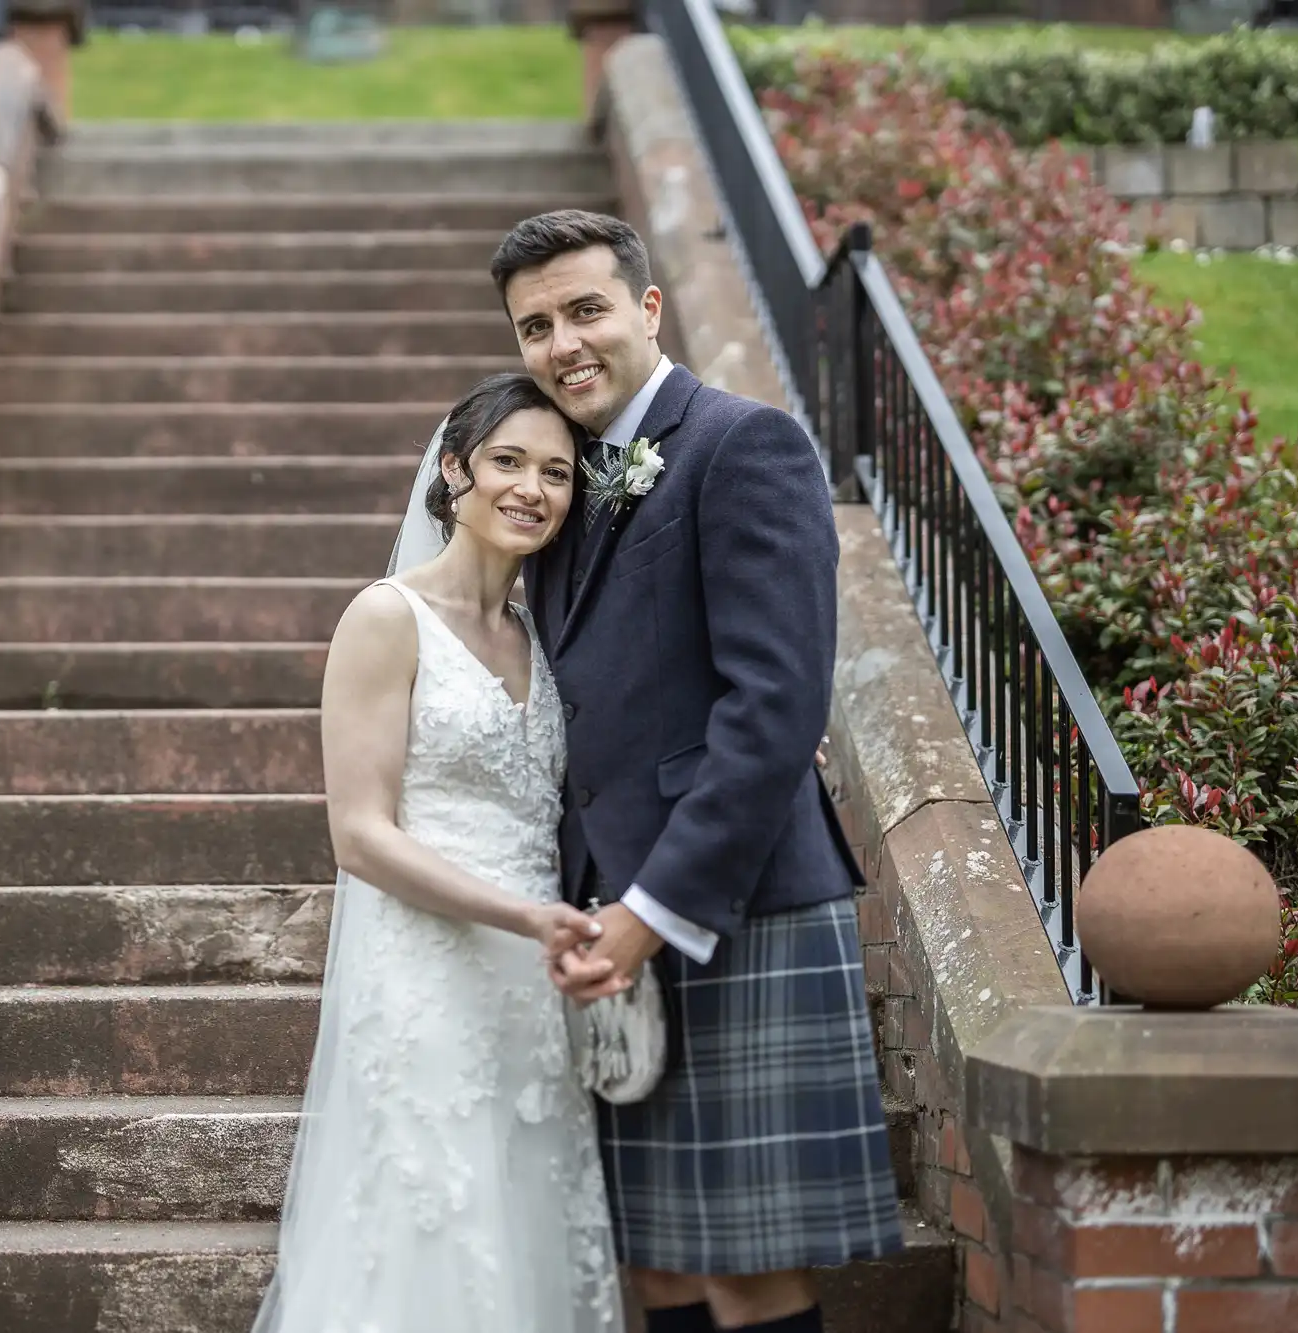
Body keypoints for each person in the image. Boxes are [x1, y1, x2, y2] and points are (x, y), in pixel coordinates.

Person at [501, 209, 902, 1333]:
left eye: (583, 310)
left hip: (730, 900)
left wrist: (652, 909)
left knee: (747, 1266)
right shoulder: (559, 477)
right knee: (654, 1265)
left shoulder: (744, 443)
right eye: (533, 326)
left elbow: (773, 710)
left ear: (645, 307)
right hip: (604, 909)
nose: (561, 344)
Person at [251, 371, 626, 1333]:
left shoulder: (547, 635)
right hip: (426, 962)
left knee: (530, 1203)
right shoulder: (386, 617)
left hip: (540, 977)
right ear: (454, 470)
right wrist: (520, 916)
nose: (531, 489)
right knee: (435, 1212)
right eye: (507, 461)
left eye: (555, 470)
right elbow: (360, 834)